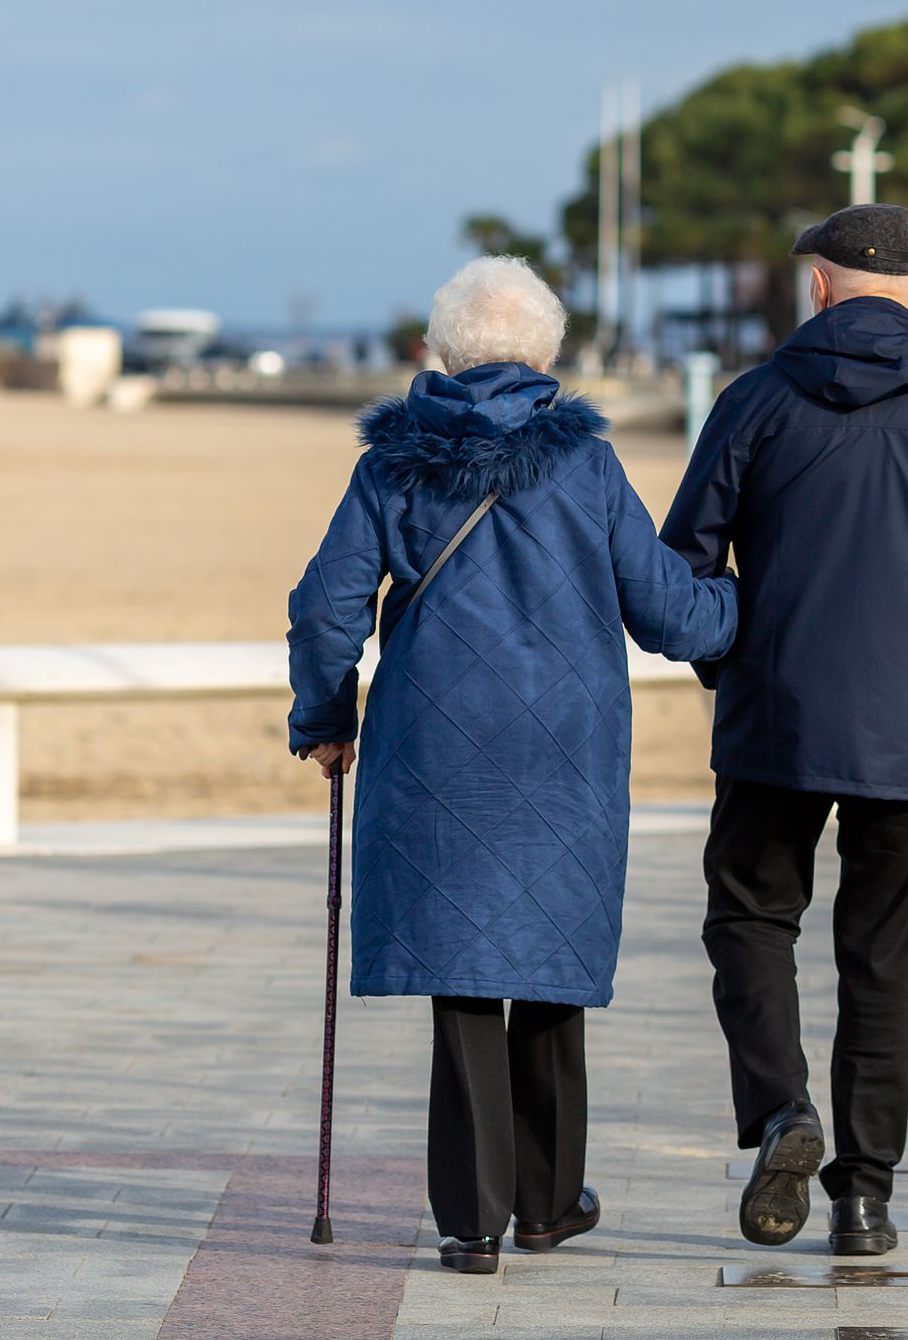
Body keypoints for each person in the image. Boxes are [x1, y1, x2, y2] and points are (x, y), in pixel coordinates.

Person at [286, 256, 739, 1274]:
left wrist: (324, 712)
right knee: (548, 967)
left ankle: (469, 1217)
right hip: (563, 750)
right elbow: (670, 613)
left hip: (434, 747)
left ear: (436, 354)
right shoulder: (585, 465)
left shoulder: (391, 465)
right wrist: (752, 607)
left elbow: (326, 605)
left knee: (463, 977)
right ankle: (544, 1202)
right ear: (547, 357)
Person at [659, 204, 908, 1257]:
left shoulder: (753, 402)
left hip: (773, 724)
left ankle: (783, 1109)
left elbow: (679, 567)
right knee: (880, 963)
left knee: (749, 922)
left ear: (821, 286)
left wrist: (728, 661)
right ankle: (863, 1196)